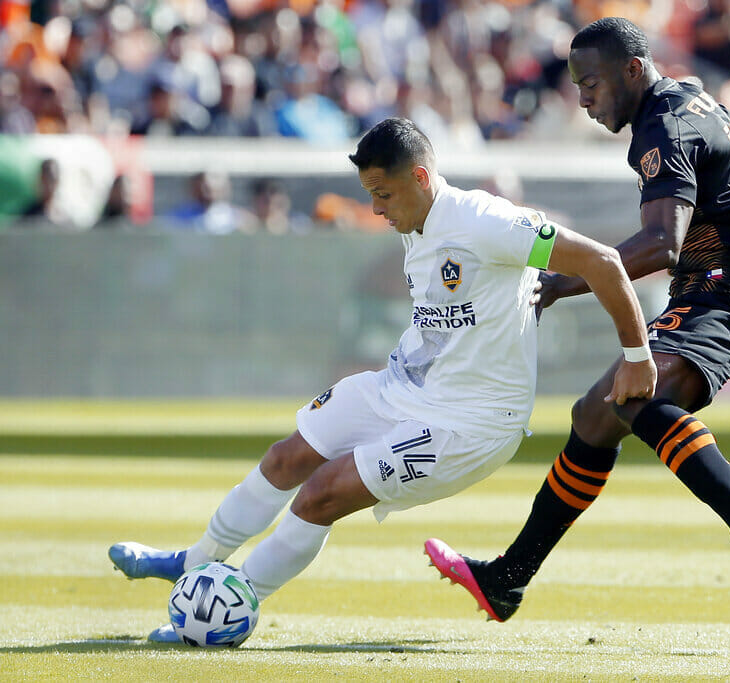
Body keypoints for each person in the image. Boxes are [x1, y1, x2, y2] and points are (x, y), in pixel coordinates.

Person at [107, 117, 657, 642]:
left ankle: (228, 605)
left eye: (383, 194)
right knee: (285, 459)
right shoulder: (414, 218)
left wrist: (636, 355)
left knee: (320, 494)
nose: (375, 208)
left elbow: (603, 261)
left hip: (469, 425)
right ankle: (195, 562)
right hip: (400, 391)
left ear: (420, 177)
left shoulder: (487, 220)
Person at [425, 17, 730, 622]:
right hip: (721, 285)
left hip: (727, 287)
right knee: (596, 413)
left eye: (593, 83)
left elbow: (662, 244)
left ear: (633, 70)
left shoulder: (663, 124)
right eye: (578, 84)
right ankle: (507, 580)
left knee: (633, 395)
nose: (582, 98)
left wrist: (565, 281)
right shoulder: (687, 97)